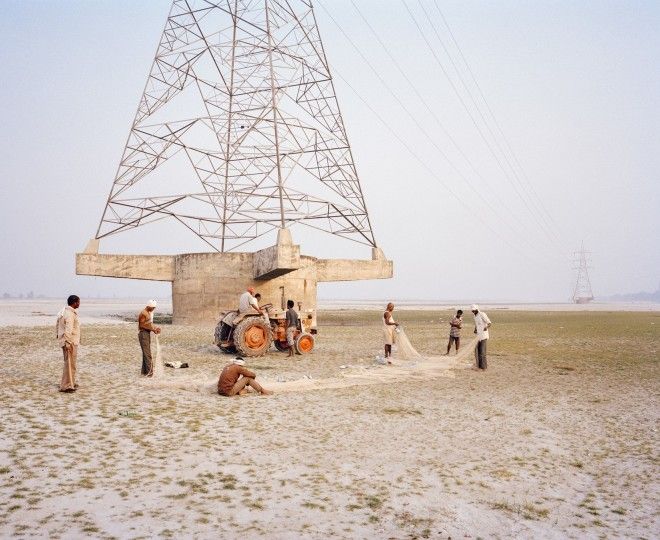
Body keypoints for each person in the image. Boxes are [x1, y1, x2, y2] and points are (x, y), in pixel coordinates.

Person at [56, 295, 81, 392]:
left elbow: (57, 325)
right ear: (74, 302)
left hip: (69, 341)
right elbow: (68, 330)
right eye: (78, 302)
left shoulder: (64, 312)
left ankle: (71, 383)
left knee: (71, 364)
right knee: (69, 364)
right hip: (70, 342)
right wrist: (67, 342)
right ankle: (66, 386)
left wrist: (59, 338)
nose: (79, 303)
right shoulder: (69, 314)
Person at [138, 300, 161, 377]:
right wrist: (153, 329)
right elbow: (142, 325)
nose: (153, 309)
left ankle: (144, 372)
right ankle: (150, 373)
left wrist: (155, 328)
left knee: (146, 354)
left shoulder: (148, 313)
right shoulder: (143, 313)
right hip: (143, 334)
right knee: (148, 355)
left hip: (146, 334)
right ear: (148, 306)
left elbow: (150, 324)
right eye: (153, 308)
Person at [471, 304, 491, 370]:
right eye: (472, 311)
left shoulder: (482, 314)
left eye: (474, 310)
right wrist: (475, 329)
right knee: (477, 351)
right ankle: (479, 366)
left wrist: (486, 327)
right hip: (478, 336)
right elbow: (477, 324)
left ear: (477, 309)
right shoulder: (475, 316)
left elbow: (489, 323)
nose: (473, 312)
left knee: (482, 352)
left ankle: (484, 367)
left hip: (484, 336)